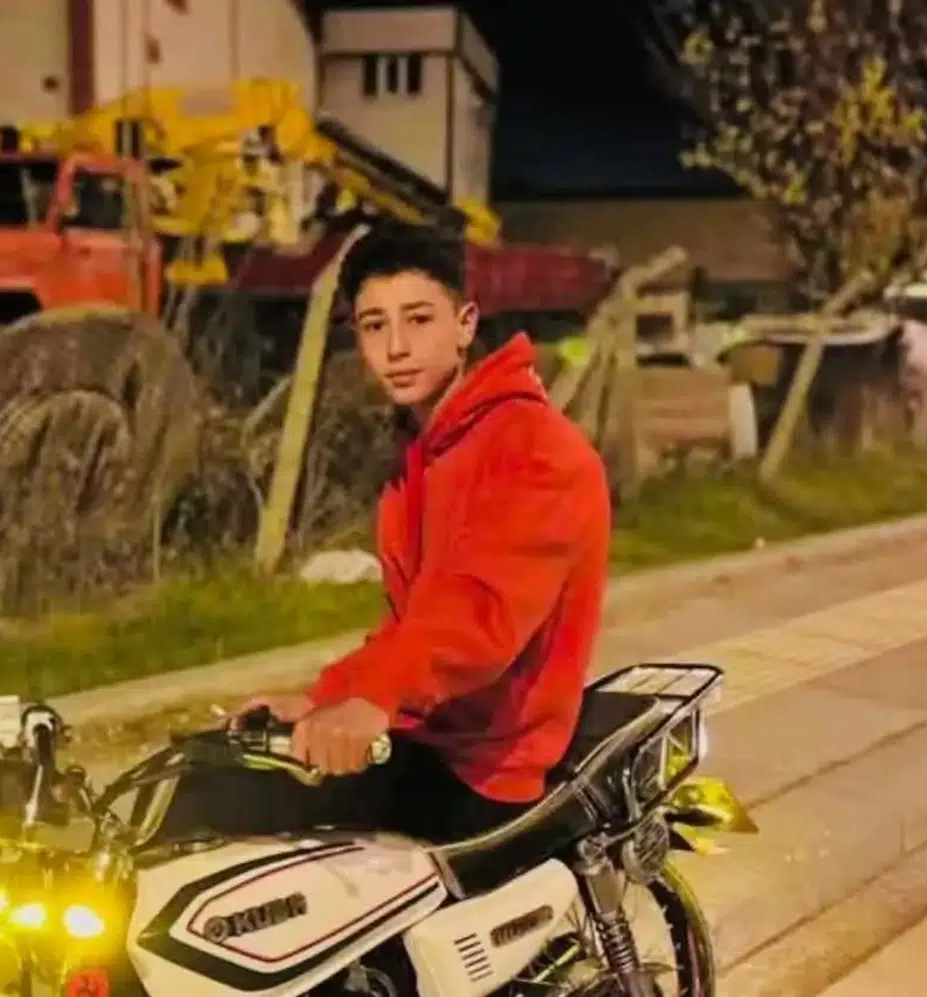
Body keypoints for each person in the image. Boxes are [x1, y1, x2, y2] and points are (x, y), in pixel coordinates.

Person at [152, 223, 611, 846]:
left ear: (466, 325)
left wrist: (372, 700)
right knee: (206, 764)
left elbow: (476, 615)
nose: (396, 347)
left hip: (485, 770)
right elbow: (411, 626)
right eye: (374, 325)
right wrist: (323, 698)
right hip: (429, 734)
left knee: (219, 804)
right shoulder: (427, 449)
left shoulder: (533, 451)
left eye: (419, 320)